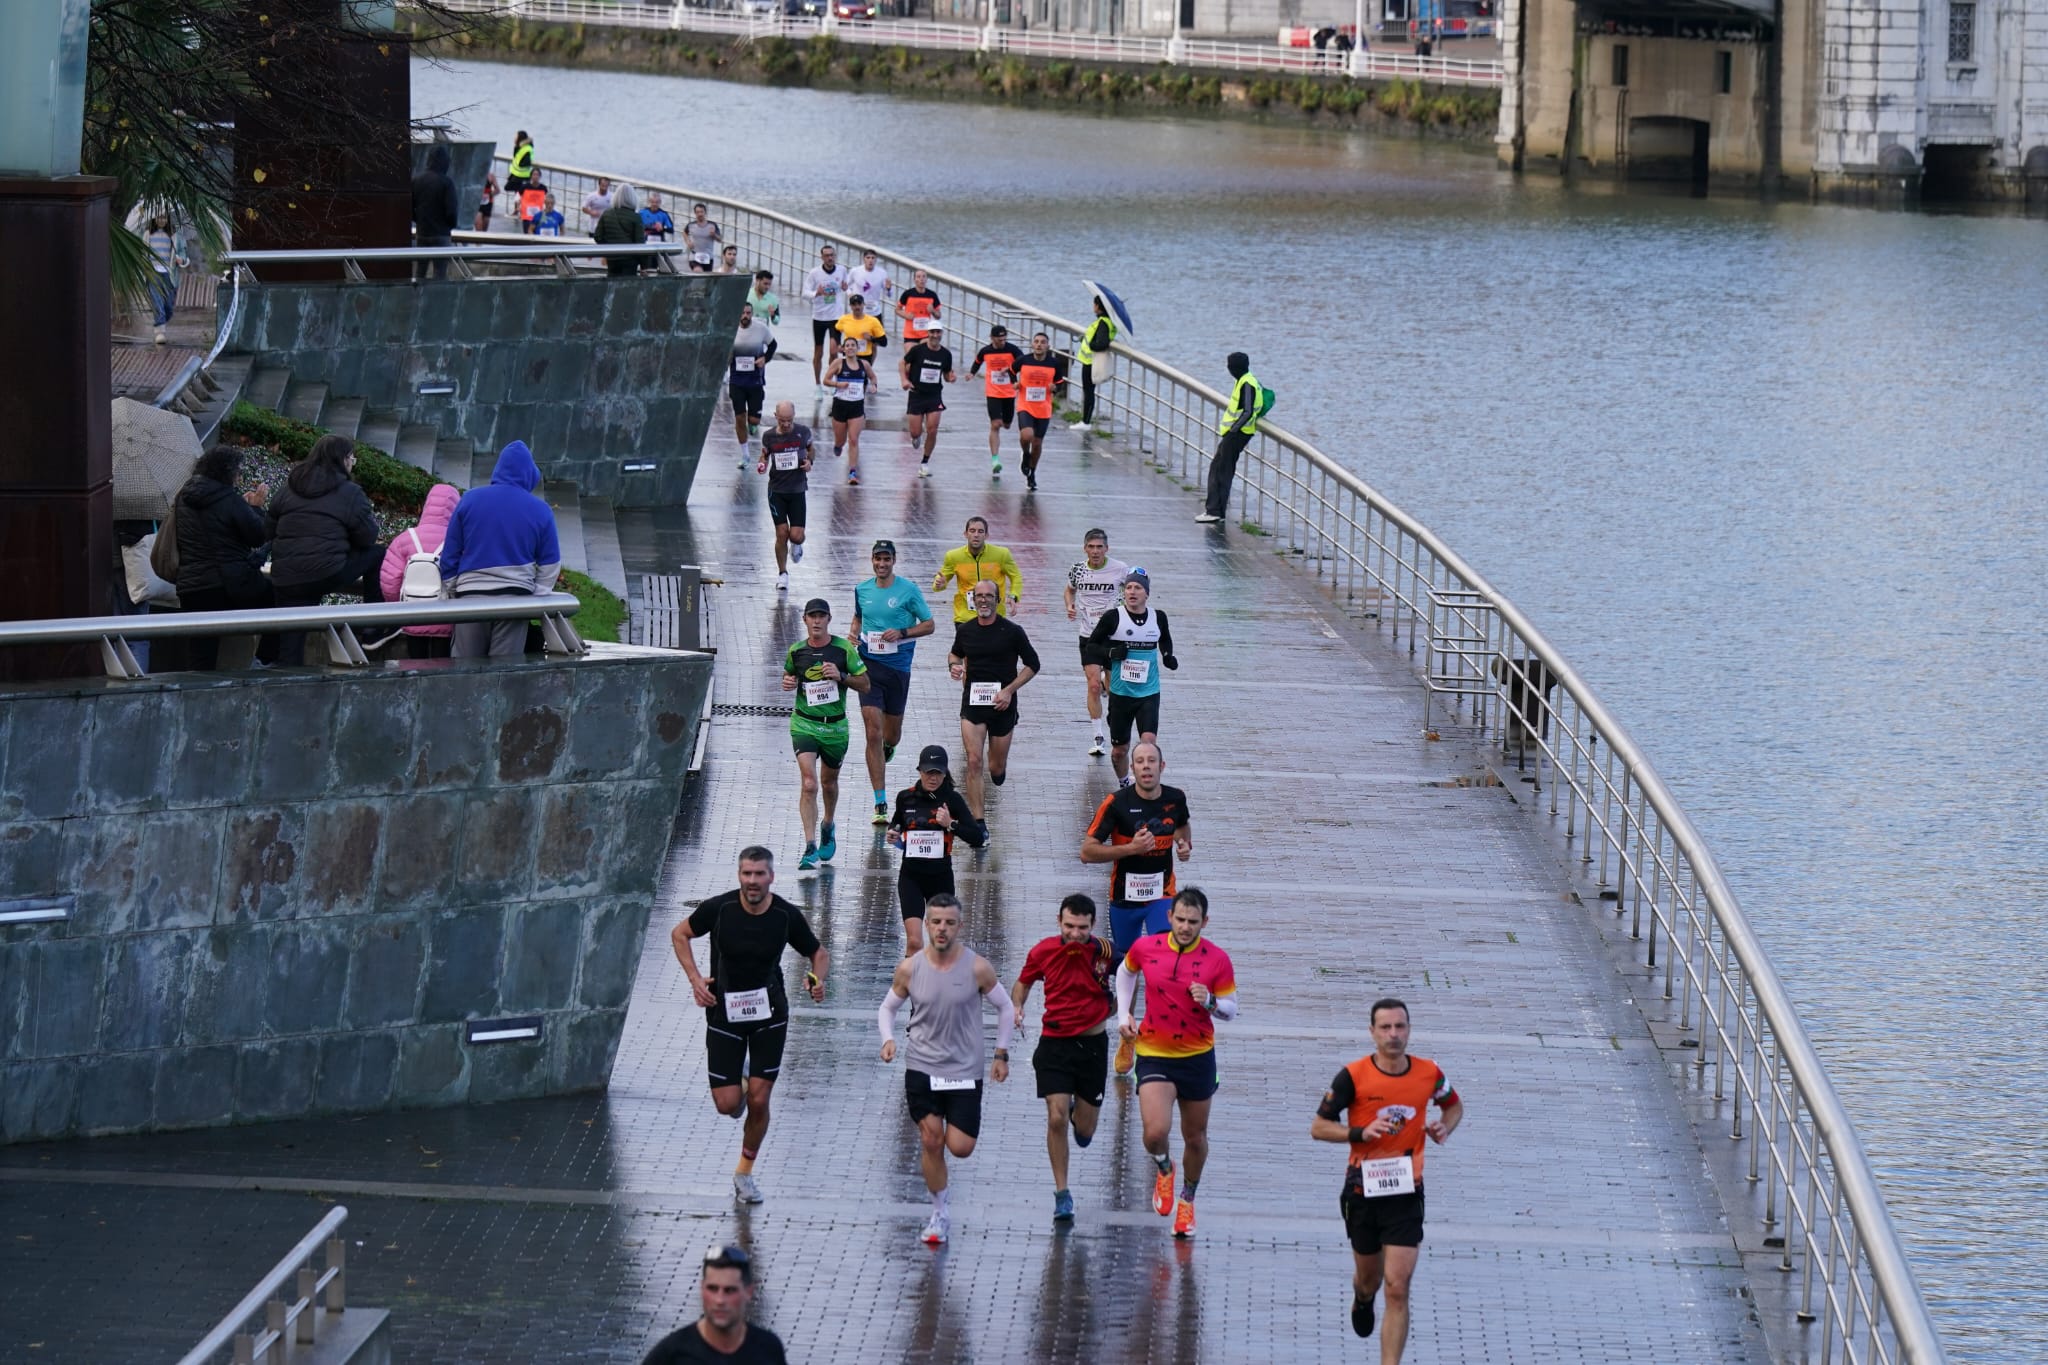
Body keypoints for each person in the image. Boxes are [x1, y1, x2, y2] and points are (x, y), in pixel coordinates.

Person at [670, 846, 828, 1206]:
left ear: (771, 876)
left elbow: (818, 953)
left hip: (769, 1016)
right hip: (724, 1013)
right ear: (739, 875)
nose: (753, 881)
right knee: (728, 1105)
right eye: (747, 874)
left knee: (759, 1099)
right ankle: (741, 1077)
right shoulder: (719, 909)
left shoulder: (785, 915)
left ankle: (744, 1174)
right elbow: (680, 935)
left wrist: (817, 979)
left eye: (759, 874)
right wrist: (696, 979)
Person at [1310, 998, 1464, 1355]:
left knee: (1398, 1286)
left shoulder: (1429, 1072)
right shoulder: (1352, 1076)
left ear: (1409, 1030)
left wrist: (1445, 1127)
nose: (1394, 1035)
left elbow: (1454, 1105)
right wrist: (1358, 1133)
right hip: (1362, 1190)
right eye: (1386, 1028)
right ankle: (1362, 1299)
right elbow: (1318, 1127)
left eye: (1400, 1027)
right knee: (1371, 1281)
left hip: (1407, 1191)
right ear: (1372, 1032)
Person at [877, 894, 1016, 1247]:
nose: (942, 929)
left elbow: (1005, 1008)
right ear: (926, 924)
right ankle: (938, 1213)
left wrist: (1001, 1054)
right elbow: (887, 1008)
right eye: (936, 922)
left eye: (949, 922)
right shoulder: (909, 968)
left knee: (961, 1146)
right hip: (921, 1066)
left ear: (960, 926)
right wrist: (887, 1039)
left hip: (964, 1068)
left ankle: (942, 1196)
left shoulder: (977, 968)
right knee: (931, 1139)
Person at [1117, 887, 1236, 1240]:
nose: (1185, 927)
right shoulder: (1146, 948)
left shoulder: (1217, 959)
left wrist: (1211, 1002)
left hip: (1198, 1057)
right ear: (1169, 917)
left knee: (1195, 1137)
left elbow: (1232, 1009)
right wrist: (1124, 1013)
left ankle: (1187, 1200)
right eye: (1180, 919)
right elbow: (1126, 973)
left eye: (1193, 922)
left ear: (1205, 922)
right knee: (1155, 1133)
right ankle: (1164, 1168)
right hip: (1154, 1051)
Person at [1081, 738, 1192, 1075]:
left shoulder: (1175, 799)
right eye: (1139, 762)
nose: (1146, 767)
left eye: (1151, 761)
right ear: (1132, 769)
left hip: (1162, 897)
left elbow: (1182, 828)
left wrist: (1184, 845)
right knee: (1130, 966)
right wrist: (1129, 850)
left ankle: (1162, 1033)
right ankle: (1128, 1030)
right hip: (1124, 899)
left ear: (1162, 767)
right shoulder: (1116, 803)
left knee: (1164, 957)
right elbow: (1087, 852)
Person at [1011, 893, 1116, 1223]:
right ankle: (1062, 1193)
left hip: (1093, 1046)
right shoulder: (1043, 951)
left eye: (1082, 928)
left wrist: (1122, 1008)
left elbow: (1130, 973)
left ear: (1092, 925)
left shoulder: (1105, 951)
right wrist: (1017, 1007)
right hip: (1055, 1044)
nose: (1075, 933)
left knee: (1084, 1132)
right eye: (1069, 926)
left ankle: (1079, 1117)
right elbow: (1023, 983)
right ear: (1059, 921)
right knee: (1055, 1117)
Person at [266, 435, 386, 665]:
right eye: (352, 457)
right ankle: (372, 626)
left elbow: (269, 531)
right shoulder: (349, 492)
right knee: (378, 554)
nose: (353, 462)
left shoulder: (288, 488)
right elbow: (367, 537)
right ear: (342, 459)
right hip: (327, 572)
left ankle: (285, 688)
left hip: (286, 576)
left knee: (291, 643)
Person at [439, 440, 563, 659]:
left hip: (470, 597)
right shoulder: (541, 511)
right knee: (502, 673)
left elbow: (449, 554)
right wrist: (537, 596)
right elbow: (550, 563)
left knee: (463, 670)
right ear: (529, 475)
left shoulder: (469, 500)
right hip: (515, 601)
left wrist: (453, 588)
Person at [783, 598, 871, 871]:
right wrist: (788, 682)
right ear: (805, 620)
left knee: (828, 784)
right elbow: (789, 677)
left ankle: (828, 824)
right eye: (812, 616)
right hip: (804, 724)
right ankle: (809, 847)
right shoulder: (796, 651)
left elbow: (866, 684)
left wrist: (841, 676)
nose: (817, 621)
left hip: (834, 727)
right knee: (809, 783)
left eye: (822, 616)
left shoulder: (843, 649)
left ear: (829, 619)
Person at [850, 539, 935, 821]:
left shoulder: (908, 590)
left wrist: (903, 632)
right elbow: (858, 618)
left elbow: (929, 624)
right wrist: (853, 636)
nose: (882, 564)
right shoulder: (862, 590)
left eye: (887, 559)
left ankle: (890, 746)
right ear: (872, 560)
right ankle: (880, 802)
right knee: (872, 732)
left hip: (898, 670)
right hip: (869, 667)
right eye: (878, 559)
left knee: (890, 735)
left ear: (894, 561)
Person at [949, 580, 1039, 837]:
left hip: (1003, 705)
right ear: (973, 600)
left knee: (995, 768)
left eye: (989, 596)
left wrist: (1009, 691)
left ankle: (999, 770)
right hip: (973, 704)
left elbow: (1033, 664)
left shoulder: (1012, 631)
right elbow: (954, 655)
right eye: (979, 596)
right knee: (974, 761)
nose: (984, 600)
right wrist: (953, 666)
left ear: (998, 600)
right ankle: (979, 822)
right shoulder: (965, 630)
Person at [172, 444, 273, 668]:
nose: (240, 477)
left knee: (201, 653)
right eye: (238, 471)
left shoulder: (185, 496)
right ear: (226, 472)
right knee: (277, 599)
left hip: (191, 586)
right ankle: (264, 660)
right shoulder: (228, 499)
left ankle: (195, 696)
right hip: (227, 584)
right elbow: (257, 536)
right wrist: (256, 507)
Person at [886, 746, 986, 956]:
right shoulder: (905, 798)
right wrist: (892, 834)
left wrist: (951, 824)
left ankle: (938, 985)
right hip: (911, 877)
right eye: (928, 772)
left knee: (940, 945)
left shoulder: (953, 800)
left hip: (940, 879)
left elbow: (977, 838)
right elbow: (896, 825)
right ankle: (910, 986)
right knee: (914, 942)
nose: (933, 778)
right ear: (920, 771)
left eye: (938, 773)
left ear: (944, 772)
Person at [1086, 568, 1178, 783]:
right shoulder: (1113, 617)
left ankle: (1145, 787)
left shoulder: (1158, 617)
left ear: (1147, 593)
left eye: (1138, 587)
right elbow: (1091, 647)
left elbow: (1164, 639)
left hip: (1149, 692)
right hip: (1121, 693)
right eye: (1128, 587)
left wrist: (1167, 655)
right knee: (1120, 750)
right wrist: (1111, 653)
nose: (1132, 592)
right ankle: (1124, 783)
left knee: (1148, 743)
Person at [639, 1245, 788, 1364]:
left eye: (730, 1290)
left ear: (748, 1292)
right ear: (702, 1288)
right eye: (712, 1289)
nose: (720, 1300)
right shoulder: (672, 1354)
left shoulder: (768, 1349)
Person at [376, 482, 461, 658]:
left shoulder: (405, 538)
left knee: (414, 663)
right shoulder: (458, 541)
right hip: (445, 616)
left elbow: (389, 581)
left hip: (413, 614)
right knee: (442, 666)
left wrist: (398, 607)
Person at [1064, 529, 1128, 756]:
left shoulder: (1120, 569)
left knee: (1113, 688)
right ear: (1085, 549)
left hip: (1112, 636)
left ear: (1106, 549)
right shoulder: (1078, 570)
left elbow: (1135, 590)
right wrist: (1070, 606)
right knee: (1092, 685)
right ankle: (1098, 736)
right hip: (1088, 635)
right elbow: (1069, 590)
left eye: (1099, 547)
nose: (1095, 551)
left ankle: (1116, 725)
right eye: (1091, 547)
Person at [1197, 350, 1263, 524]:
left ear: (1234, 368)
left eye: (1230, 366)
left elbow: (1247, 411)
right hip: (1237, 434)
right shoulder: (1245, 380)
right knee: (1221, 469)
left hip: (1237, 435)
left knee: (1220, 471)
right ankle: (1217, 511)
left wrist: (1233, 429)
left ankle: (1214, 511)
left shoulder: (1246, 384)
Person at [756, 403, 813, 592]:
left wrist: (809, 462)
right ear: (775, 417)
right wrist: (762, 464)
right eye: (782, 420)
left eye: (790, 420)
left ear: (794, 416)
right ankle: (782, 574)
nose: (787, 424)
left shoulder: (803, 432)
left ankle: (796, 546)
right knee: (781, 533)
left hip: (797, 490)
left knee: (796, 536)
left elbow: (811, 449)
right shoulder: (769, 436)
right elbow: (764, 455)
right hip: (777, 491)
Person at [932, 515, 1021, 623]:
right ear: (965, 534)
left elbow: (1016, 576)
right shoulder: (953, 556)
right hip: (965, 618)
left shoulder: (1002, 554)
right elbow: (941, 579)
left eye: (980, 531)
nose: (976, 535)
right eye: (972, 531)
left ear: (986, 535)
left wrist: (1013, 595)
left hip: (994, 615)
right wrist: (939, 584)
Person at [1015, 331, 1069, 491]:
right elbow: (1011, 371)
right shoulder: (1023, 360)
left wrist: (1055, 387)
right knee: (1027, 435)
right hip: (1025, 405)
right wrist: (1015, 383)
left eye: (1043, 342)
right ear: (1032, 345)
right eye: (1036, 342)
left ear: (1048, 346)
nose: (1039, 345)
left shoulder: (1053, 363)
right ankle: (1025, 454)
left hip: (1043, 408)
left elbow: (1059, 381)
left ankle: (1032, 474)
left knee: (1037, 443)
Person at [968, 324, 1024, 478]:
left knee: (1006, 424)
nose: (1002, 342)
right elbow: (978, 361)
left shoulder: (1012, 349)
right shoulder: (986, 351)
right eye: (999, 340)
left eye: (1004, 339)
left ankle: (1005, 424)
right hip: (992, 392)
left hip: (1009, 392)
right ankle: (995, 460)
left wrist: (1009, 368)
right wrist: (971, 374)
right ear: (992, 338)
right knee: (995, 424)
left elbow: (1023, 361)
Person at [899, 323, 954, 477]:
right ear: (928, 333)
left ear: (942, 333)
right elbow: (902, 363)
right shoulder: (918, 350)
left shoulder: (946, 354)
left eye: (938, 332)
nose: (935, 335)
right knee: (916, 432)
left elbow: (947, 375)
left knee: (932, 429)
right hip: (916, 394)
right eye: (932, 332)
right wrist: (904, 380)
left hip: (934, 395)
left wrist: (951, 378)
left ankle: (925, 462)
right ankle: (915, 437)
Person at [822, 336, 875, 485]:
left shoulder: (864, 364)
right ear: (843, 349)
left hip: (857, 406)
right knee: (841, 440)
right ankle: (838, 445)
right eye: (848, 345)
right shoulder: (838, 363)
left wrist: (873, 386)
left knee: (853, 439)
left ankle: (852, 472)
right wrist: (838, 385)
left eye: (853, 345)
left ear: (858, 349)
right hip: (840, 405)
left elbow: (873, 378)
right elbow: (825, 380)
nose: (850, 347)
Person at [729, 301, 777, 466]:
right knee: (739, 417)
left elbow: (773, 345)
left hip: (755, 381)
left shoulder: (760, 328)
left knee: (754, 420)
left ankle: (753, 424)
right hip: (736, 381)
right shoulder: (730, 329)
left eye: (748, 313)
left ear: (752, 313)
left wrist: (765, 358)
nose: (745, 316)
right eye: (742, 313)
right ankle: (745, 455)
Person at [409, 143, 459, 281]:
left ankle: (417, 298)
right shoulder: (446, 183)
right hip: (441, 234)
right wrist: (449, 225)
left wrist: (418, 220)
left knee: (420, 271)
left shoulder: (416, 180)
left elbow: (410, 207)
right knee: (440, 273)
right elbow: (451, 212)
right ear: (445, 162)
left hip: (422, 233)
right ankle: (436, 300)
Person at [802, 244, 847, 392]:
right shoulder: (815, 273)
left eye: (832, 255)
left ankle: (832, 381)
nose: (830, 258)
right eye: (827, 255)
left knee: (834, 350)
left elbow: (847, 288)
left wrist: (847, 289)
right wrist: (817, 293)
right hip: (820, 316)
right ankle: (817, 385)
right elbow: (804, 293)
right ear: (822, 257)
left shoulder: (842, 270)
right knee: (818, 352)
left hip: (836, 316)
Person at [1071, 297, 1117, 430]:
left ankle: (1086, 422)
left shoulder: (1103, 323)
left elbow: (1101, 343)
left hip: (1091, 361)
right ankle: (1085, 421)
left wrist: (1091, 344)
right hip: (1090, 360)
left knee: (1089, 391)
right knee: (1088, 391)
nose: (1093, 306)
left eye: (1094, 304)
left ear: (1098, 306)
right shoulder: (1106, 321)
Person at [143, 213, 186, 344]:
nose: (162, 220)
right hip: (152, 271)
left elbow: (183, 253)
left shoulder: (175, 235)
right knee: (157, 301)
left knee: (168, 305)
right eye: (159, 217)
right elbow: (142, 252)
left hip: (170, 273)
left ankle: (162, 321)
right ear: (154, 219)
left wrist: (181, 259)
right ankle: (160, 331)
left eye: (164, 218)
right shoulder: (147, 234)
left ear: (168, 219)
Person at [594, 183, 646, 277]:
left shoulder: (607, 214)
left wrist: (608, 248)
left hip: (612, 258)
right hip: (630, 259)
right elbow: (640, 243)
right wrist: (644, 266)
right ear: (632, 198)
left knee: (612, 285)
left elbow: (598, 236)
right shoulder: (636, 217)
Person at [895, 268, 941, 348]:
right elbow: (897, 310)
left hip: (926, 333)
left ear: (926, 279)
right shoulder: (908, 294)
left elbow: (938, 315)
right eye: (918, 277)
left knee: (923, 357)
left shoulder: (932, 295)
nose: (921, 279)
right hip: (910, 333)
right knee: (911, 358)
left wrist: (933, 311)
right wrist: (906, 315)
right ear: (914, 279)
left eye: (923, 277)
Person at [847, 248, 893, 328]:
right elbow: (845, 285)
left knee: (879, 339)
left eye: (873, 258)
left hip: (875, 311)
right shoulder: (855, 271)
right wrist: (850, 294)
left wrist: (888, 289)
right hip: (859, 311)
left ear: (876, 260)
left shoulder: (882, 273)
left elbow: (889, 294)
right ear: (863, 259)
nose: (870, 260)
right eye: (868, 258)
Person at [683, 202, 722, 272]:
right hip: (694, 257)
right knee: (698, 271)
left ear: (705, 213)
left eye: (701, 212)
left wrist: (714, 235)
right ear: (695, 213)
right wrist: (688, 242)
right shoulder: (691, 225)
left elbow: (720, 240)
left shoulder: (712, 225)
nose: (700, 214)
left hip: (708, 257)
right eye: (697, 212)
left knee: (706, 279)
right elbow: (684, 232)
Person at [474, 168, 499, 233]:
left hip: (488, 202)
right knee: (478, 227)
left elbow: (498, 190)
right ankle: (477, 242)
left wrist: (489, 194)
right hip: (477, 203)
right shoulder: (474, 174)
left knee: (484, 231)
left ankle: (480, 242)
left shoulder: (490, 176)